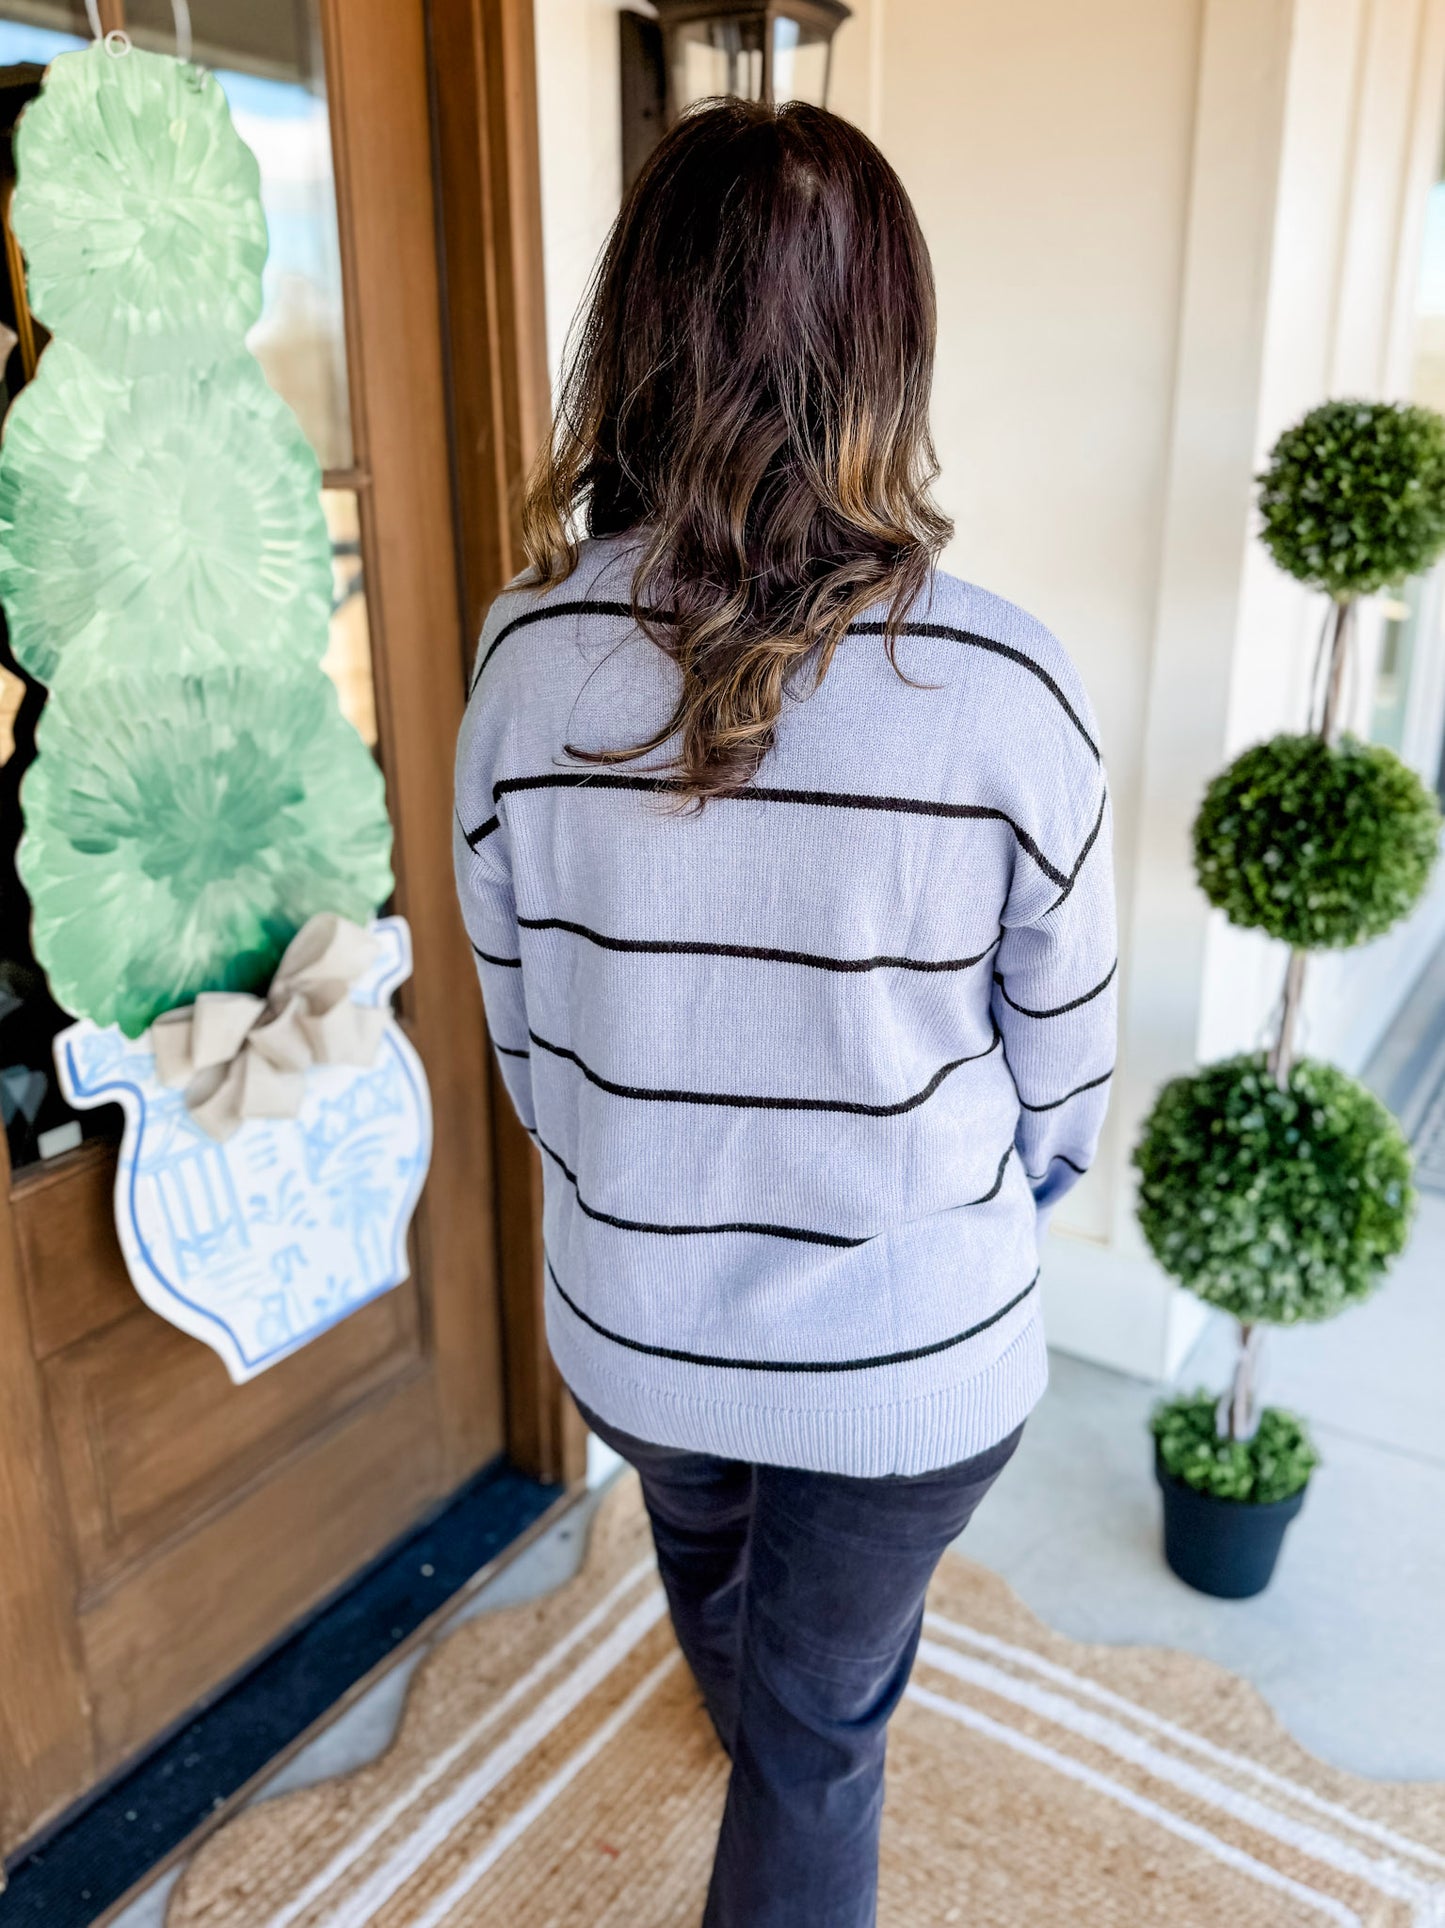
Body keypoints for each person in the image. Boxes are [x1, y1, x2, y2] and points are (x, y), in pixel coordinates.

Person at [453, 97, 1116, 1928]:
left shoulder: (522, 663)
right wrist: (982, 1194)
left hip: (638, 1318)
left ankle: (751, 1729)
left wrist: (650, 1172)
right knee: (827, 1726)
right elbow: (1065, 1074)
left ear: (634, 333)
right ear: (885, 354)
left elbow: (525, 1040)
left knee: (707, 1545)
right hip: (913, 1359)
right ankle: (780, 1760)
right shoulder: (1000, 683)